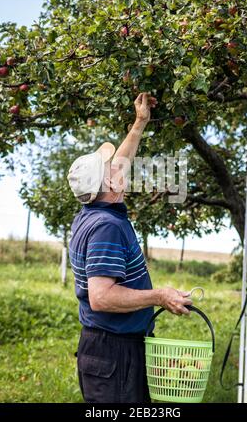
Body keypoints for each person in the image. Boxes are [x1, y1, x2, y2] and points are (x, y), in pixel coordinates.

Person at [67, 92, 192, 403]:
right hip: (114, 353)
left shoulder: (93, 211)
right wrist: (159, 296)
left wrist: (139, 122)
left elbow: (121, 161)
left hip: (112, 348)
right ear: (109, 185)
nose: (120, 168)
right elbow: (101, 297)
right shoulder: (105, 227)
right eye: (112, 169)